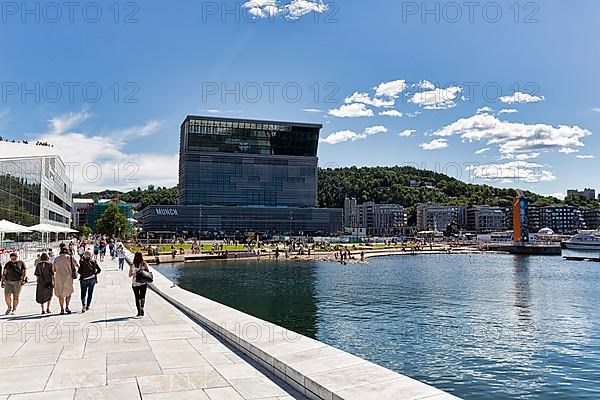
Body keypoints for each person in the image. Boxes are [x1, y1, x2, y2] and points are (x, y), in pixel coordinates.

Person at [53, 247, 75, 314]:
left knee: (60, 294)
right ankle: (67, 307)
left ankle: (62, 309)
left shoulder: (56, 258)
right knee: (69, 292)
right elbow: (77, 265)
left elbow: (53, 269)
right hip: (68, 277)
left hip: (59, 277)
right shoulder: (70, 258)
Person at [129, 252, 149, 317]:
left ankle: (139, 311)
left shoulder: (133, 265)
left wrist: (134, 273)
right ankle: (142, 308)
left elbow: (129, 275)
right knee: (142, 296)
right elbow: (148, 272)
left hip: (135, 283)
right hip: (143, 282)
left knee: (137, 297)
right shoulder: (144, 263)